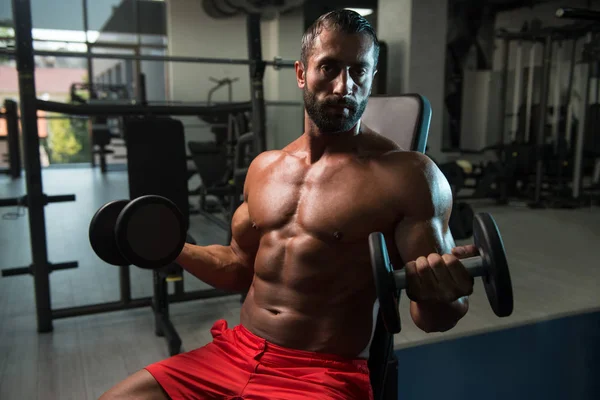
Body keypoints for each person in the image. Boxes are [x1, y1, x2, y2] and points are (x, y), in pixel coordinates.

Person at [99, 9, 476, 400]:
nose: (344, 86)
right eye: (329, 67)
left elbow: (434, 318)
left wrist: (444, 294)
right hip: (235, 353)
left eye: (359, 71)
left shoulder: (409, 176)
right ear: (301, 73)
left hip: (320, 374)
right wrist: (171, 248)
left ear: (371, 78)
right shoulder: (265, 168)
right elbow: (237, 267)